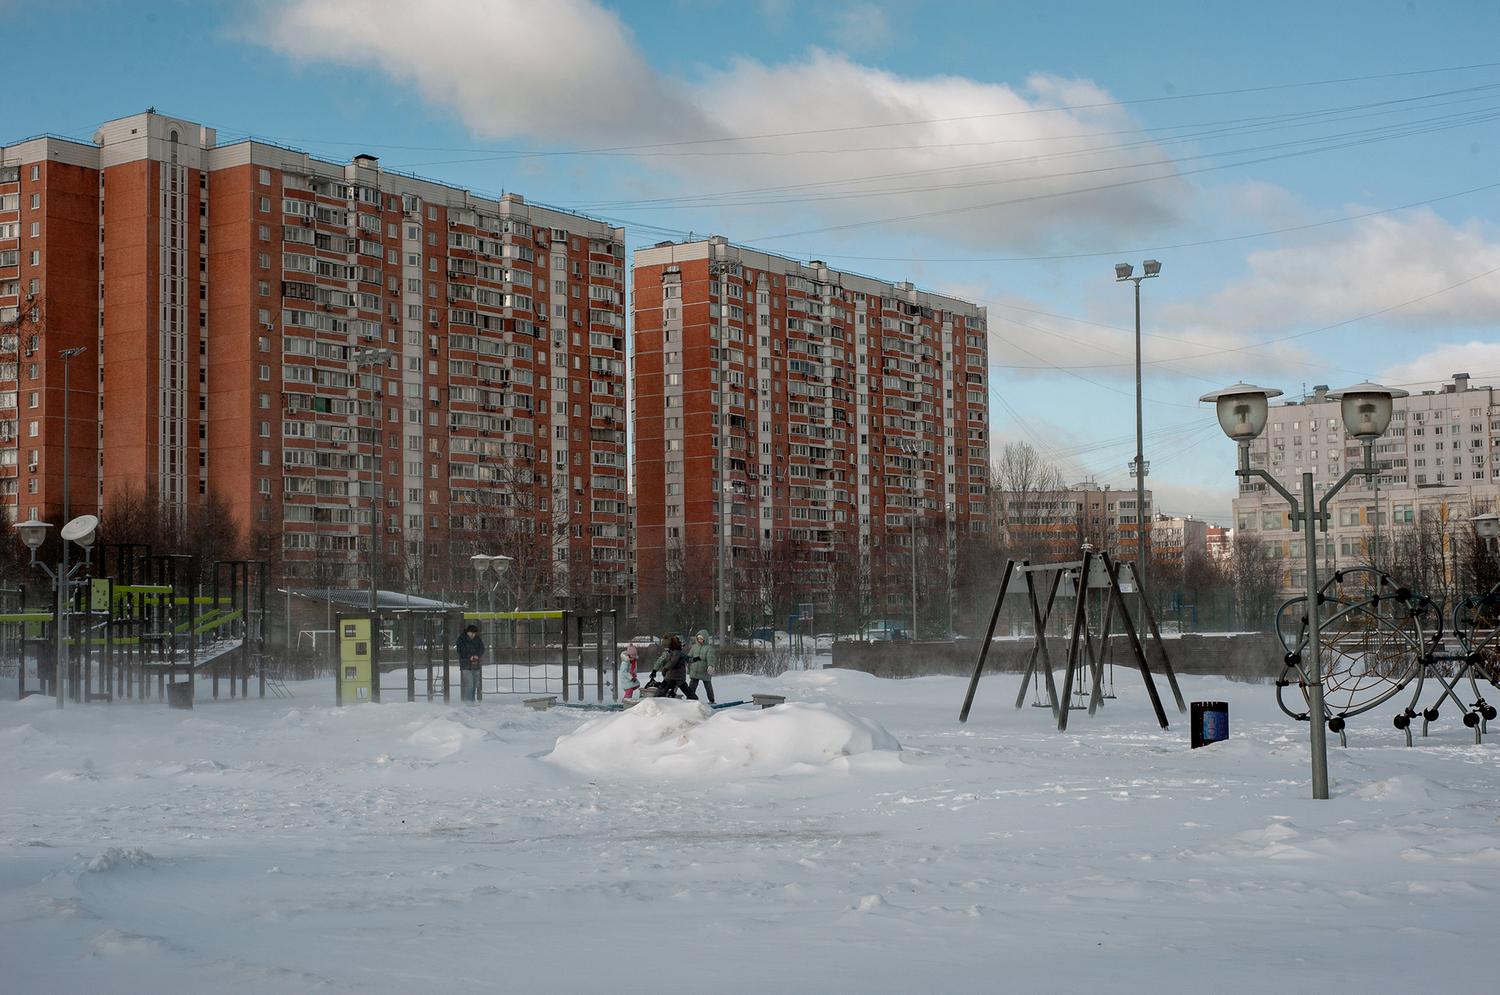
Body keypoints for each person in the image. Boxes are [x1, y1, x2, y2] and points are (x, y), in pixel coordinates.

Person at [653, 635, 691, 699]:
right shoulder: (667, 653)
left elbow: (686, 659)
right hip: (669, 674)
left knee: (671, 687)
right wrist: (655, 670)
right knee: (666, 687)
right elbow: (660, 661)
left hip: (674, 675)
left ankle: (668, 696)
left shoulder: (678, 653)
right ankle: (663, 697)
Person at [456, 623, 485, 703]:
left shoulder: (477, 638)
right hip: (465, 665)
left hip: (476, 664)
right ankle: (468, 701)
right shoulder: (461, 639)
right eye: (472, 633)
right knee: (470, 684)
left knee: (475, 684)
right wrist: (469, 656)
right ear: (468, 632)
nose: (473, 635)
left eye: (474, 633)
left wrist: (477, 655)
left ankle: (471, 700)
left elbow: (482, 648)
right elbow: (460, 650)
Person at [687, 629, 717, 704]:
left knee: (708, 686)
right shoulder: (694, 647)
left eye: (701, 639)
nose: (700, 640)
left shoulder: (709, 648)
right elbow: (689, 657)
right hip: (695, 670)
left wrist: (710, 666)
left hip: (704, 671)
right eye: (698, 638)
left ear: (705, 639)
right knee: (692, 686)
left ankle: (711, 700)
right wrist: (687, 662)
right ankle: (689, 699)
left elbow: (710, 658)